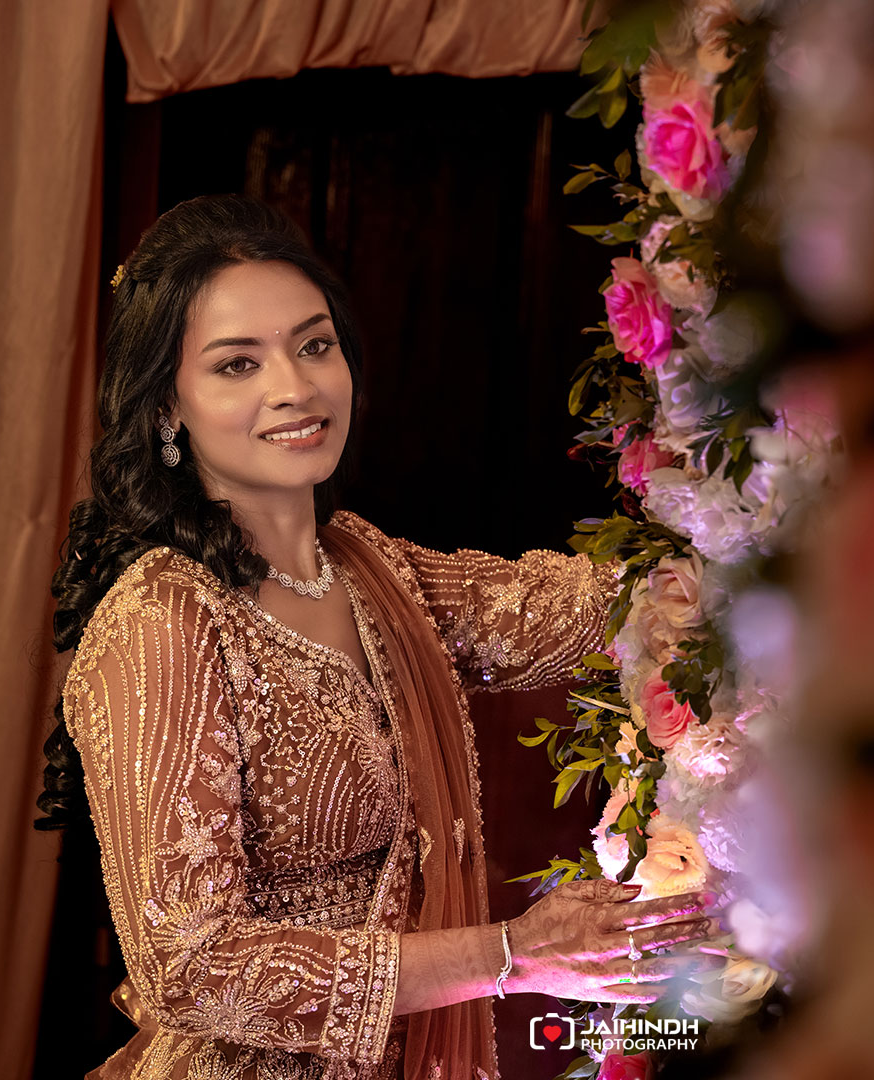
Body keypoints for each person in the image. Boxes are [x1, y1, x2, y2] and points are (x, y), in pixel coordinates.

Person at [37, 195, 720, 1080]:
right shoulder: (164, 620)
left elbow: (600, 609)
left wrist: (754, 501)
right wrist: (512, 956)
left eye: (313, 345)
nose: (295, 387)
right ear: (168, 405)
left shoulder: (372, 572)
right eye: (238, 363)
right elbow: (189, 966)